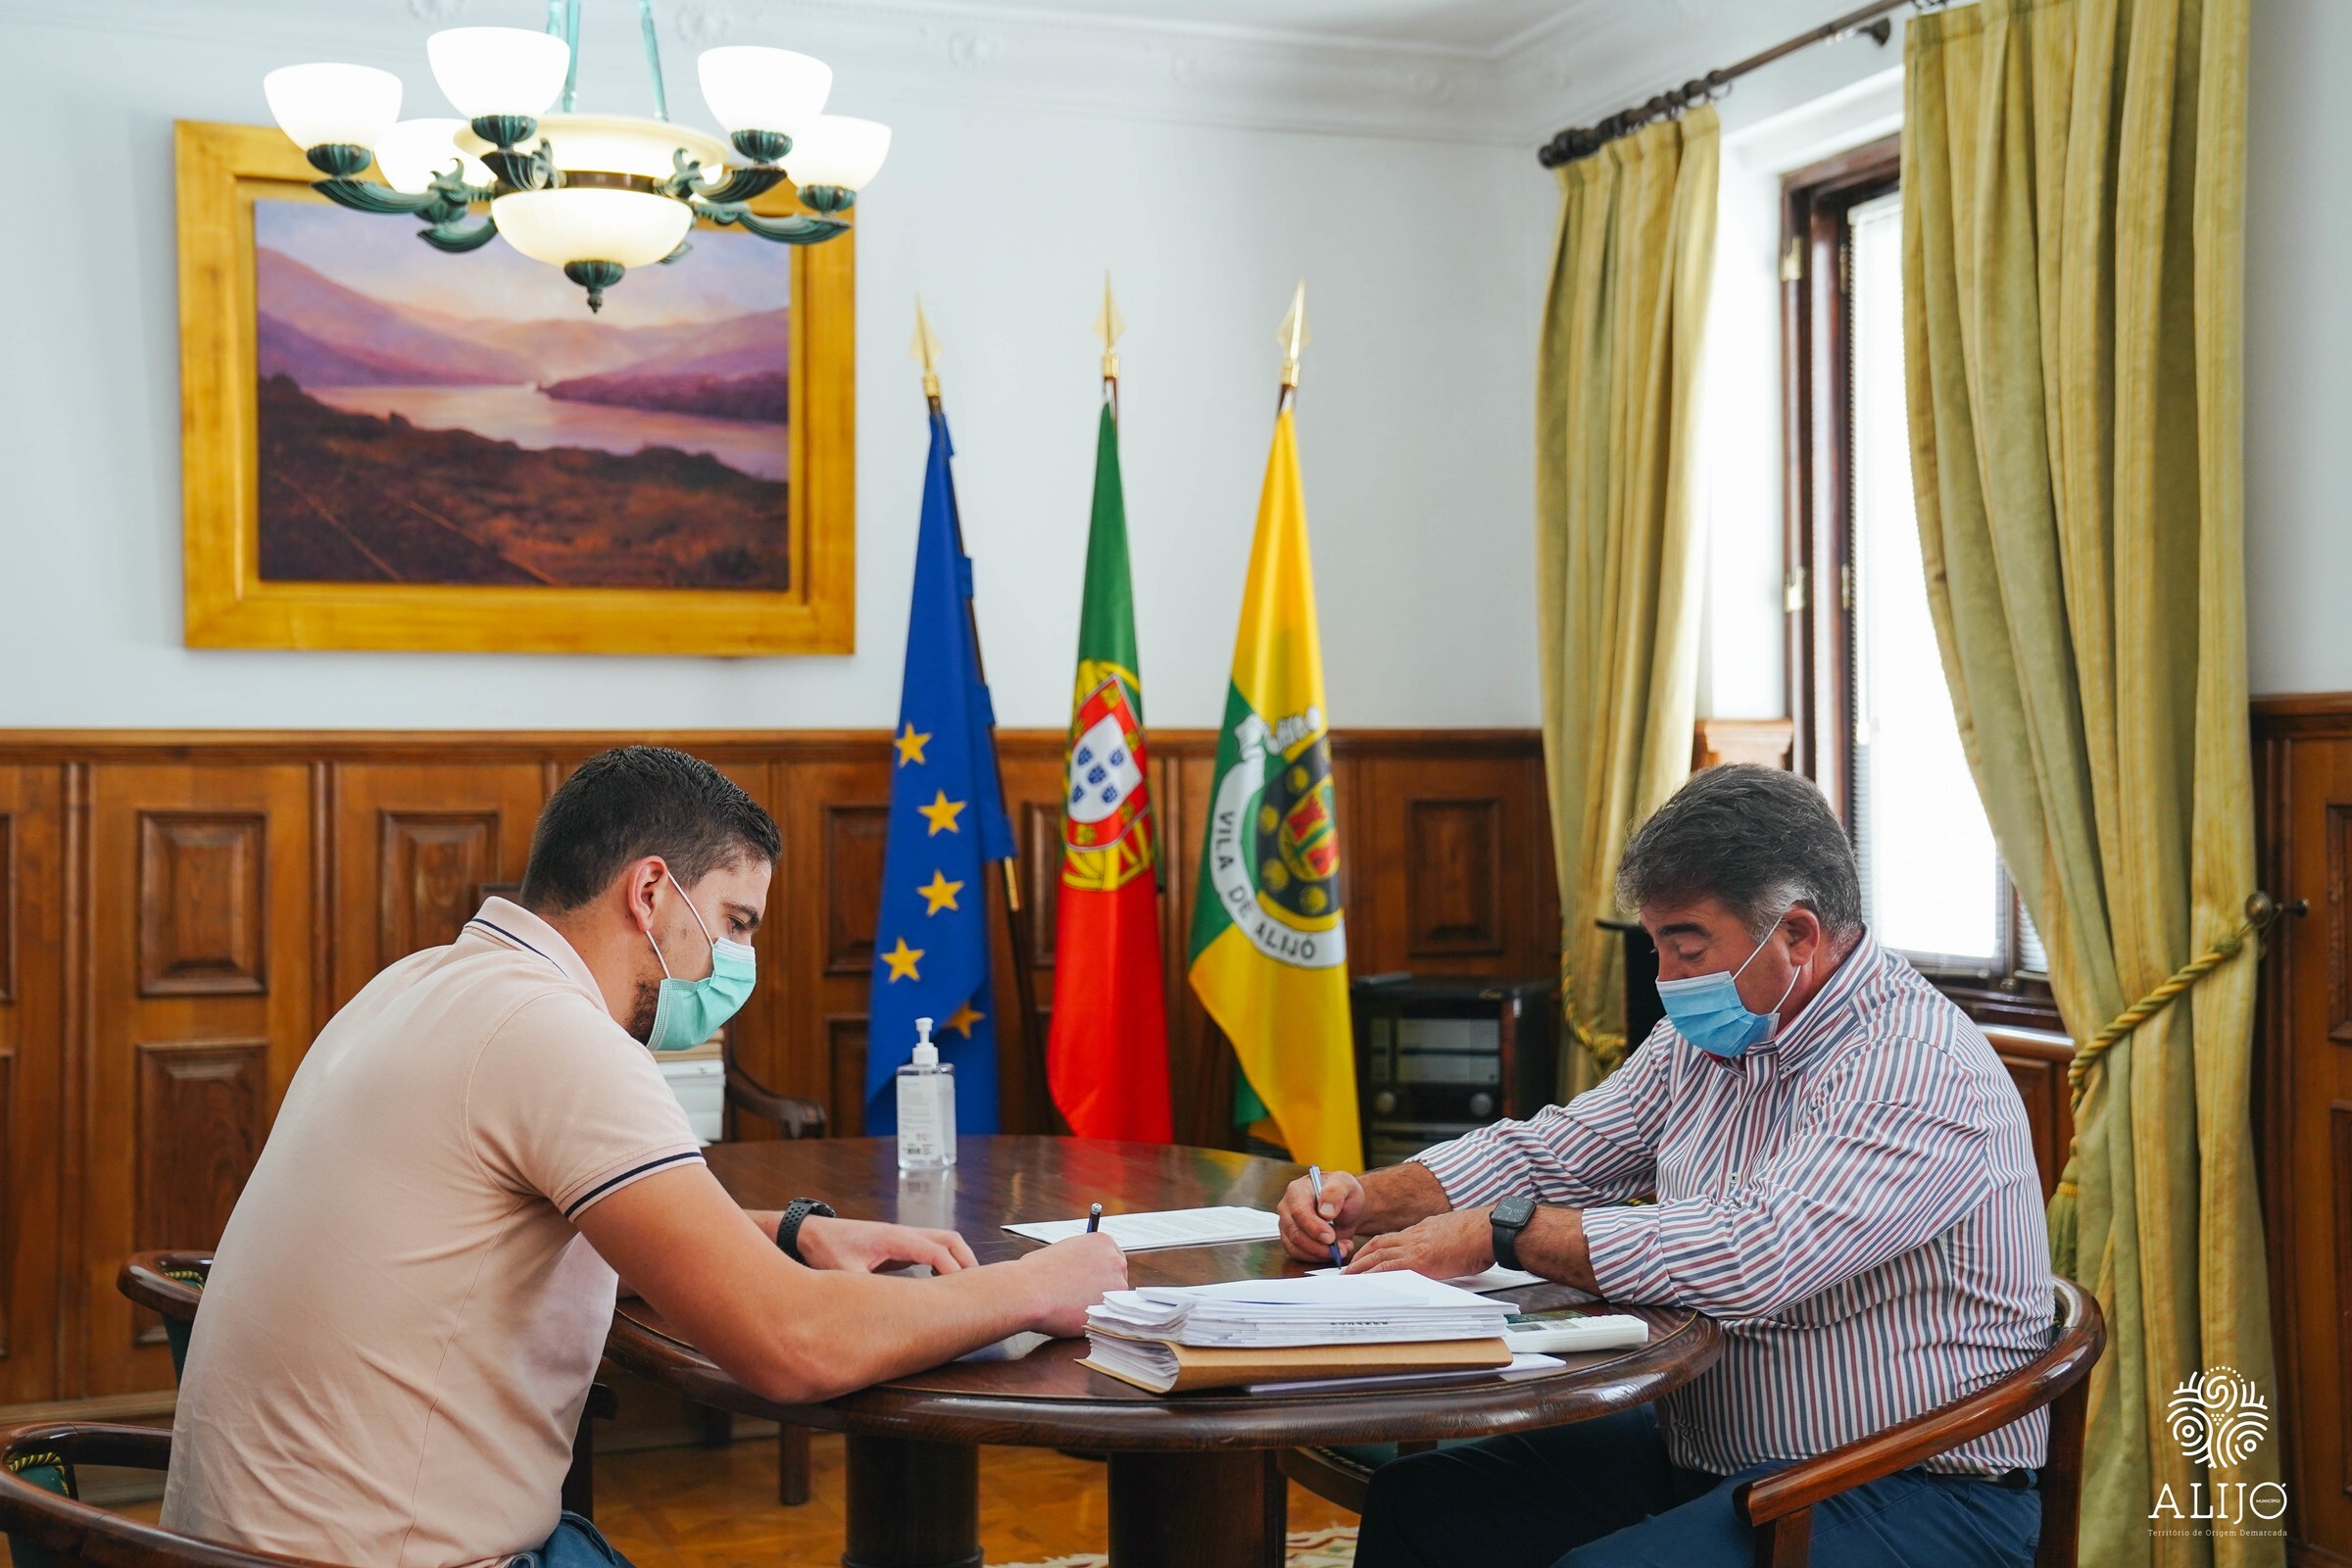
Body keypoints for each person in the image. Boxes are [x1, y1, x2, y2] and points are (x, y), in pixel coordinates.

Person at [162, 746, 1127, 1568]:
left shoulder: (416, 984)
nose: (736, 963)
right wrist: (1039, 1284)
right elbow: (791, 1346)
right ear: (652, 890)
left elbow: (519, 1230)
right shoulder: (556, 1035)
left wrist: (791, 1234)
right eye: (735, 923)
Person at [1278, 764, 2050, 1568]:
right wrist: (1367, 1196)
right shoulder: (1712, 1038)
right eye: (1658, 949)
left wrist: (1503, 1233)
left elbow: (1752, 1254)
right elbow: (1556, 1149)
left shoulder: (1914, 1067)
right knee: (1421, 1506)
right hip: (1711, 1454)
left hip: (1910, 1484)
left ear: (1797, 935)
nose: (1666, 981)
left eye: (1687, 949)